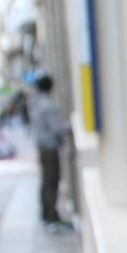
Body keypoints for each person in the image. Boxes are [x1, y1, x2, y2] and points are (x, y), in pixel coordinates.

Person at [30, 75, 74, 232]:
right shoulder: (47, 105)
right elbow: (56, 128)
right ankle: (51, 217)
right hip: (49, 148)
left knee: (47, 182)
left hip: (43, 147)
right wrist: (72, 126)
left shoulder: (35, 103)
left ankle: (47, 215)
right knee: (51, 182)